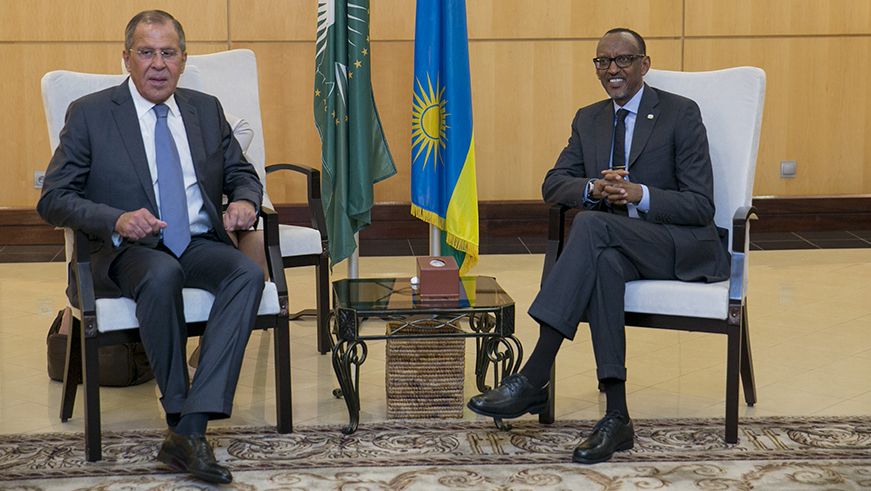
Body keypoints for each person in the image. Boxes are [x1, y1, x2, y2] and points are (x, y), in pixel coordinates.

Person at [467, 28, 731, 464]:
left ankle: (533, 376)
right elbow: (553, 184)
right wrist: (593, 187)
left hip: (677, 244)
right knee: (603, 260)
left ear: (644, 64)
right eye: (603, 61)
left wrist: (637, 194)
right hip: (615, 246)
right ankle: (617, 415)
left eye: (623, 60)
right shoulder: (588, 118)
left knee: (590, 228)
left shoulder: (680, 114)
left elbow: (701, 205)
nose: (612, 69)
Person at [37, 10, 264, 484]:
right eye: (146, 52)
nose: (157, 64)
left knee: (246, 273)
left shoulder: (205, 109)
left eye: (168, 52)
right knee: (163, 274)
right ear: (126, 58)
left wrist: (245, 200)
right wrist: (114, 218)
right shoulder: (92, 113)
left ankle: (190, 428)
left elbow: (242, 172)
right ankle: (183, 422)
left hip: (197, 242)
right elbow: (54, 198)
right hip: (126, 252)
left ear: (183, 59)